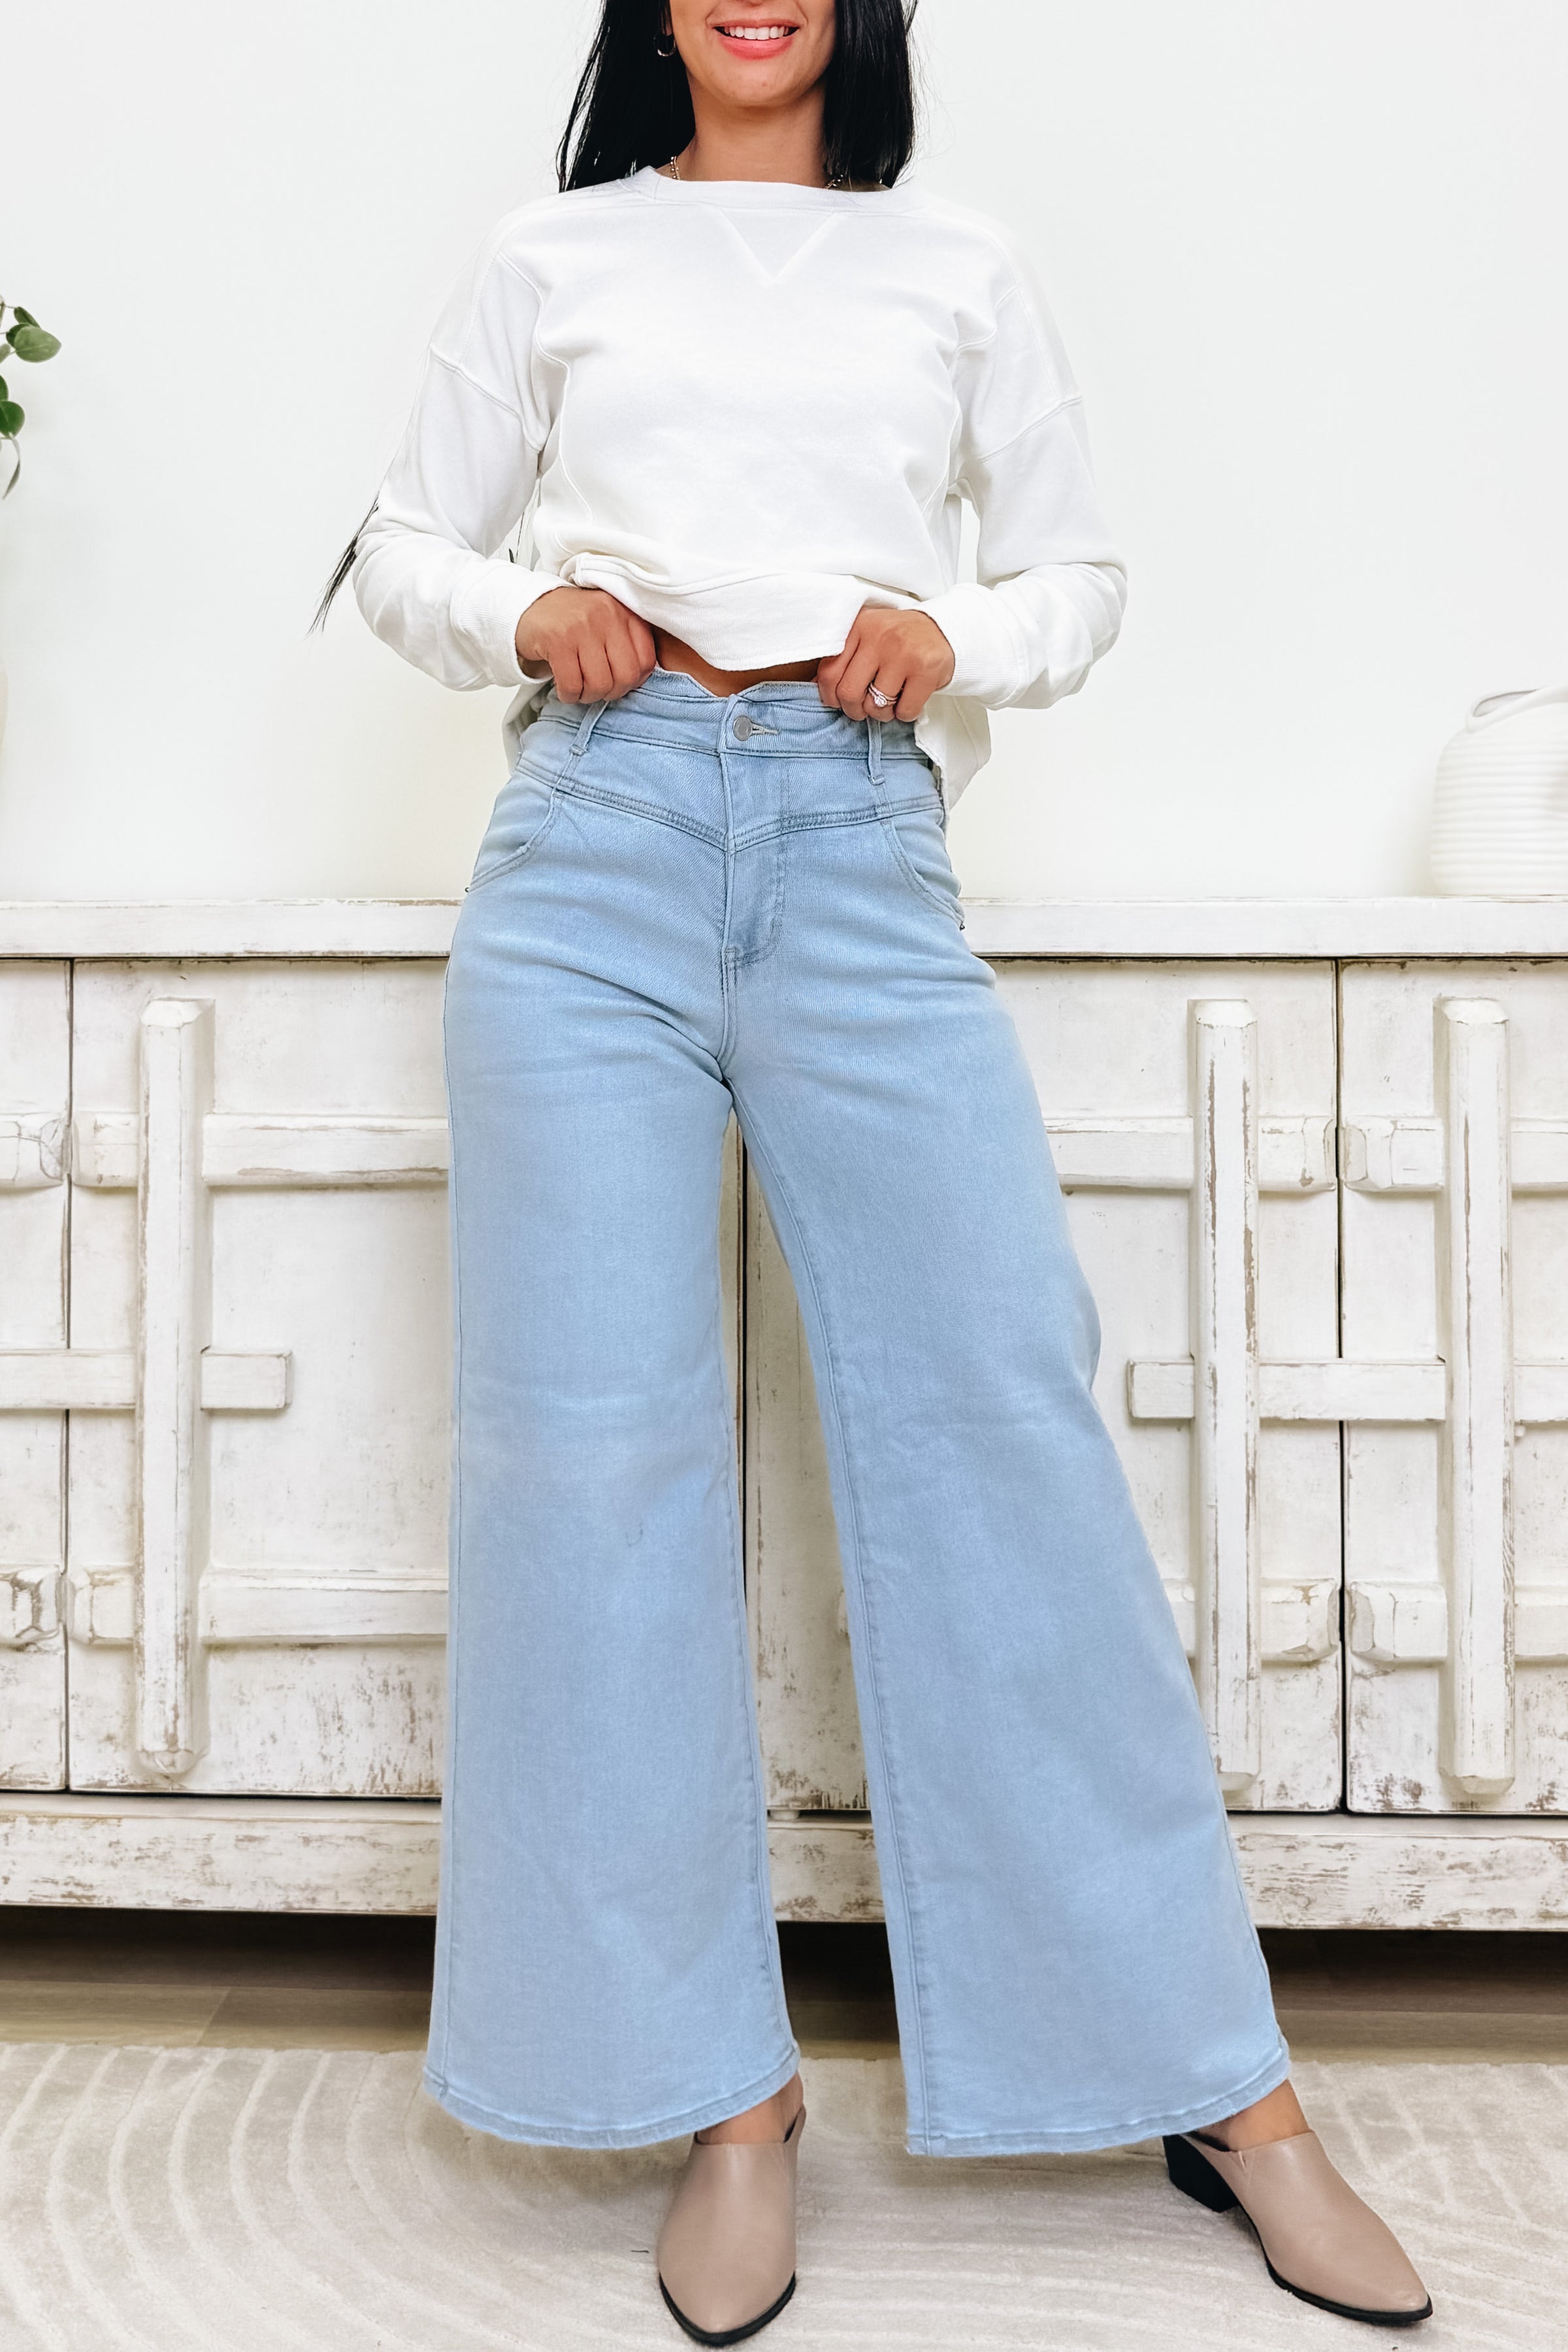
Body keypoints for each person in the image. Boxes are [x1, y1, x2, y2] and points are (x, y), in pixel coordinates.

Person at [326, 1, 1431, 2336]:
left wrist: (958, 633)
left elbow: (1080, 579)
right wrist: (522, 606)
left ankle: (1218, 2086)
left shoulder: (957, 264)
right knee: (588, 1468)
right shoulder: (554, 253)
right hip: (593, 839)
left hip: (857, 844)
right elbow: (402, 542)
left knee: (999, 1422)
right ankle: (723, 2103)